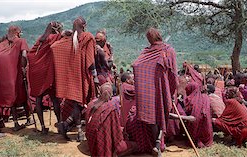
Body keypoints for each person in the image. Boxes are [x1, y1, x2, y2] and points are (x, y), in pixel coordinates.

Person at [130, 27, 178, 155]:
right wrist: (172, 91)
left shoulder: (147, 52)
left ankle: (157, 144)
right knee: (161, 114)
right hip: (162, 89)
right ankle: (158, 144)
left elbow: (136, 65)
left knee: (153, 118)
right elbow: (173, 74)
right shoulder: (168, 50)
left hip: (150, 91)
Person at [51, 16, 97, 141]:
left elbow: (54, 46)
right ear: (84, 25)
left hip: (73, 76)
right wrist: (95, 76)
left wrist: (63, 34)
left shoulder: (71, 39)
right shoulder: (88, 37)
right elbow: (90, 60)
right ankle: (77, 130)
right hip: (83, 76)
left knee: (79, 103)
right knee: (81, 103)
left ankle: (69, 125)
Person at [27, 21, 63, 134]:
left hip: (36, 72)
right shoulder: (55, 37)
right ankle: (60, 124)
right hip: (47, 73)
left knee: (38, 99)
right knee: (55, 99)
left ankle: (42, 127)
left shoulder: (41, 39)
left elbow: (30, 54)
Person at [84, 83, 137, 156]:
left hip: (91, 143)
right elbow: (117, 138)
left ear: (99, 91)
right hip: (103, 147)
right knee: (133, 145)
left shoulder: (90, 104)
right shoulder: (110, 108)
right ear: (111, 94)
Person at [0, 25, 30, 131]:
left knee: (12, 98)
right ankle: (28, 118)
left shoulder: (2, 44)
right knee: (24, 94)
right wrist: (23, 67)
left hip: (5, 76)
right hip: (18, 74)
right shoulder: (21, 41)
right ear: (17, 32)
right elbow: (24, 55)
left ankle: (15, 123)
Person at [184, 82, 213, 148]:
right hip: (207, 132)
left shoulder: (190, 99)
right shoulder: (206, 97)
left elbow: (186, 111)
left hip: (194, 129)